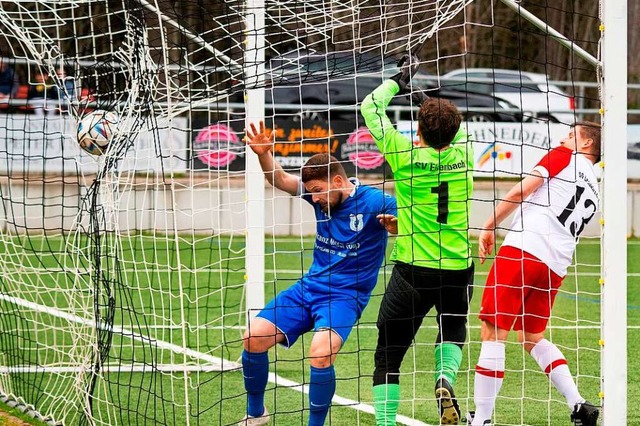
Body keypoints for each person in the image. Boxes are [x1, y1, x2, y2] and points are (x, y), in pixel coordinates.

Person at [239, 121, 398, 426]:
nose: (313, 199)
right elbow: (282, 179)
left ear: (338, 181)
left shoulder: (376, 201)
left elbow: (412, 219)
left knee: (320, 352)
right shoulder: (321, 200)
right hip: (308, 288)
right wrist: (263, 155)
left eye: (317, 192)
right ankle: (256, 414)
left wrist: (399, 227)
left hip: (345, 296)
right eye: (310, 192)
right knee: (253, 337)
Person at [361, 56, 475, 425]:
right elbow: (449, 126)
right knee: (452, 331)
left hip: (413, 269)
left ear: (419, 131)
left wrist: (398, 81)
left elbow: (370, 106)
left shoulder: (404, 154)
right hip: (457, 266)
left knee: (388, 356)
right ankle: (444, 379)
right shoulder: (465, 152)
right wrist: (424, 99)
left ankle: (385, 423)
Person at [468, 122, 602, 426]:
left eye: (571, 135)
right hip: (555, 266)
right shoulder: (595, 185)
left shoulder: (564, 156)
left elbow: (524, 189)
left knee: (492, 332)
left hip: (524, 250)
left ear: (587, 144)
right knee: (531, 337)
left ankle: (482, 421)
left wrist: (488, 225)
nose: (564, 138)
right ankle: (578, 403)